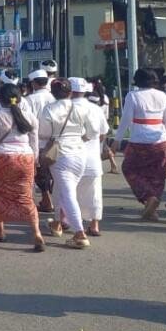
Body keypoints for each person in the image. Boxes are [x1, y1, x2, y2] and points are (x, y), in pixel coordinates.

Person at [0, 82, 44, 251]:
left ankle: (0, 230)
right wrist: (35, 162)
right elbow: (34, 142)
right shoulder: (30, 117)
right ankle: (37, 232)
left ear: (0, 100)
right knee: (25, 196)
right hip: (26, 158)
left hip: (4, 158)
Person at [38, 78, 98, 249]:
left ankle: (79, 233)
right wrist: (80, 138)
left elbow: (43, 134)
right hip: (80, 151)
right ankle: (57, 222)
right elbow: (93, 131)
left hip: (60, 153)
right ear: (70, 92)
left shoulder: (49, 109)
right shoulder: (79, 108)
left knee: (68, 193)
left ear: (53, 93)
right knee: (60, 188)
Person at [115, 68, 166, 220]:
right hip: (161, 139)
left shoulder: (133, 96)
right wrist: (162, 130)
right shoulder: (162, 95)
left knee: (129, 168)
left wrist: (117, 140)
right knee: (158, 174)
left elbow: (126, 120)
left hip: (139, 140)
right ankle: (152, 204)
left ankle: (148, 197)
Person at [71, 77, 109, 237]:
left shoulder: (65, 108)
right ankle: (94, 225)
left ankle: (65, 222)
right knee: (94, 193)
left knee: (68, 191)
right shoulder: (96, 109)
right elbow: (103, 132)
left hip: (70, 157)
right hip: (92, 158)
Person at [24, 70, 56, 213]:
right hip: (53, 141)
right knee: (52, 172)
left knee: (38, 172)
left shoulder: (29, 99)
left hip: (35, 140)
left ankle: (46, 198)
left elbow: (27, 120)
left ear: (34, 83)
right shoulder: (54, 97)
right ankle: (49, 199)